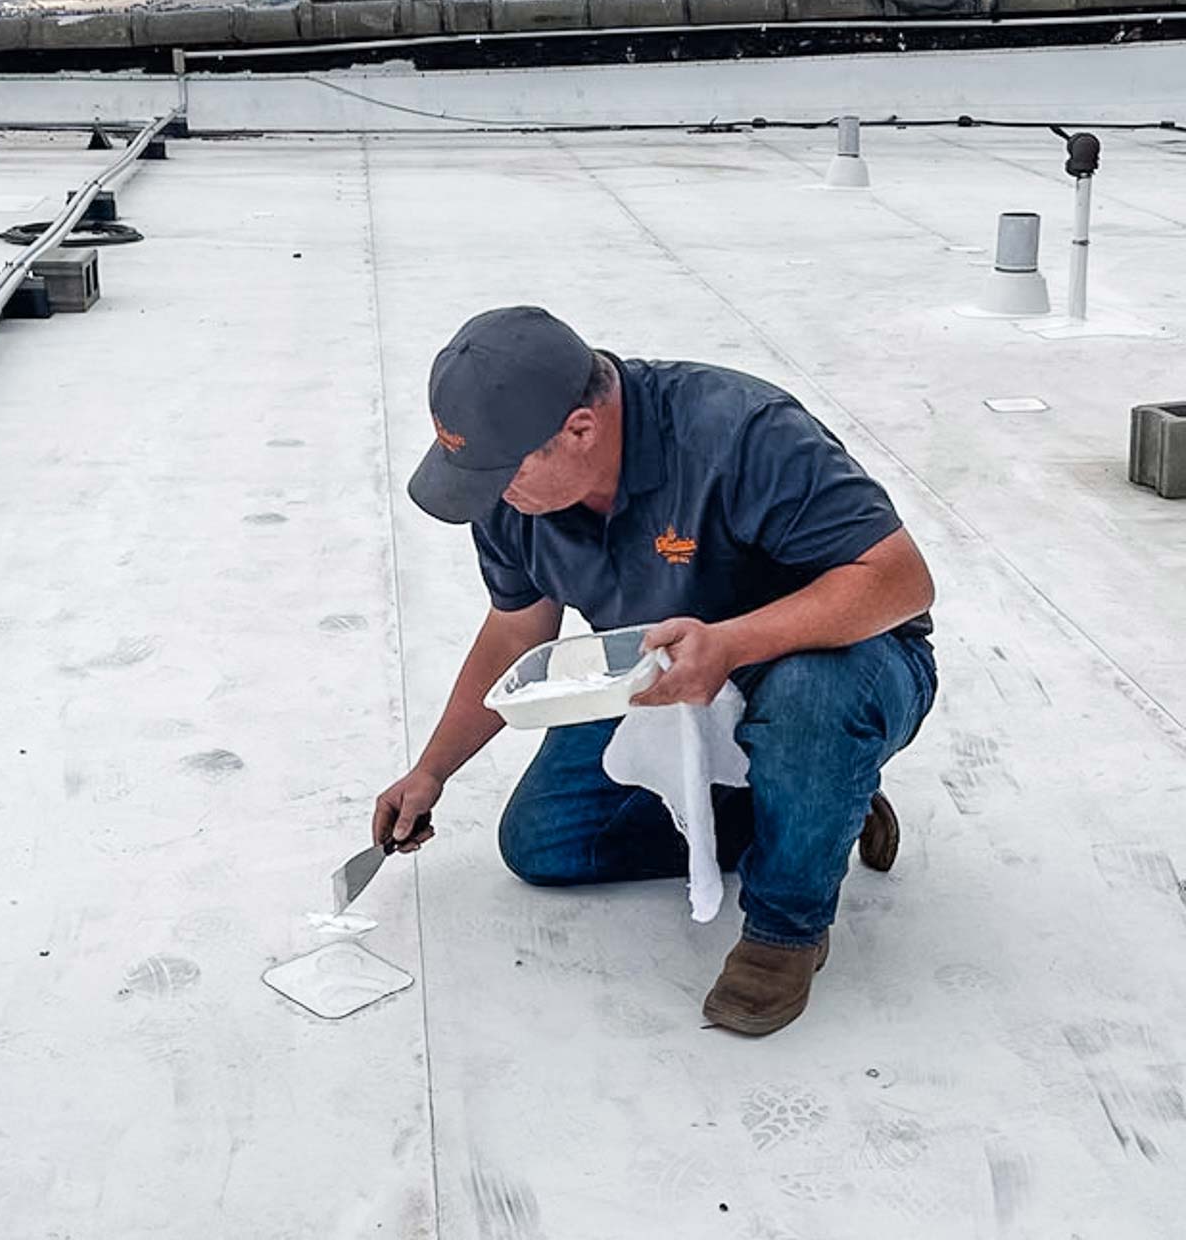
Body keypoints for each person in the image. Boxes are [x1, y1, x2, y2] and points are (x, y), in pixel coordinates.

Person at [375, 307, 937, 1035]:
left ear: (580, 429)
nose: (489, 493)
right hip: (667, 681)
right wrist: (432, 771)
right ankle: (818, 807)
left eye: (499, 474)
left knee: (807, 701)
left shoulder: (741, 434)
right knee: (545, 842)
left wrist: (732, 645)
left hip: (840, 661)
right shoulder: (508, 487)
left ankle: (785, 928)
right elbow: (518, 628)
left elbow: (900, 581)